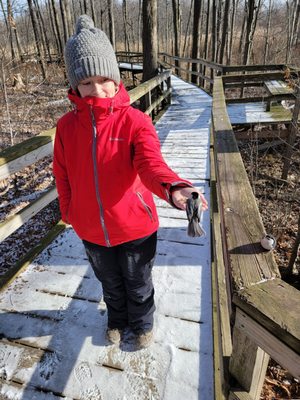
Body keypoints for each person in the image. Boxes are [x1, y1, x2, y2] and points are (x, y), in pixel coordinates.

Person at [53, 14, 208, 349]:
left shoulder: (135, 121)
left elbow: (152, 164)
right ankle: (117, 319)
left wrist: (175, 187)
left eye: (104, 79)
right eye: (86, 82)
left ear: (116, 78)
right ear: (74, 86)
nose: (96, 90)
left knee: (137, 282)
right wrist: (69, 210)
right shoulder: (66, 127)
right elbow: (61, 172)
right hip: (91, 230)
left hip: (135, 228)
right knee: (109, 282)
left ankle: (141, 324)